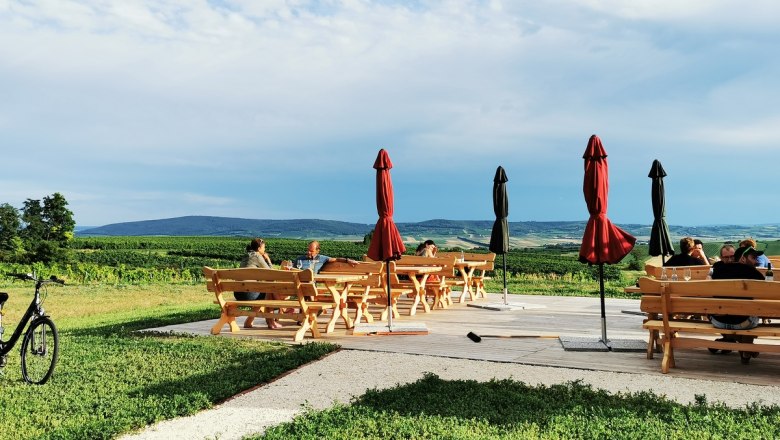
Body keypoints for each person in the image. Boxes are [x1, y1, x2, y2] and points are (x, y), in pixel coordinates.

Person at [237, 238, 282, 329]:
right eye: (264, 248)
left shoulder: (246, 256)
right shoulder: (257, 256)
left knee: (263, 293)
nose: (264, 250)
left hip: (238, 293)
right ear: (258, 248)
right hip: (248, 294)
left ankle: (249, 322)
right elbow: (271, 273)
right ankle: (271, 322)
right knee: (268, 293)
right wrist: (268, 259)